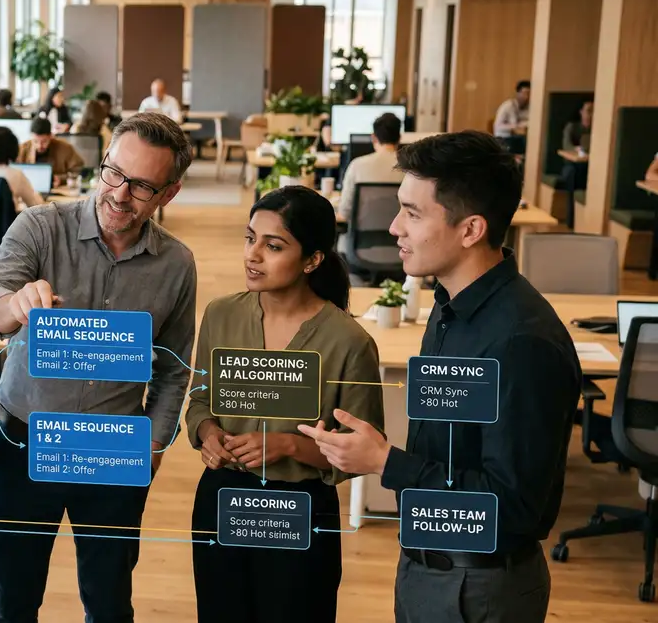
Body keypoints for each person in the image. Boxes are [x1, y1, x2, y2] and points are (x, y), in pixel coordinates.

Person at [298, 131, 581, 623]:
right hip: (428, 565)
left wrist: (387, 462)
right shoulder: (449, 308)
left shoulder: (520, 342)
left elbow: (514, 506)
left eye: (412, 212)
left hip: (479, 585)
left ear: (470, 229)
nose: (392, 228)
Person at [0, 112, 198, 623]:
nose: (119, 194)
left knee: (109, 601)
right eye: (114, 173)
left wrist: (154, 448)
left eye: (141, 186)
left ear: (170, 193)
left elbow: (173, 368)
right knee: (12, 600)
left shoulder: (177, 264)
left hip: (113, 449)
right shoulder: (39, 226)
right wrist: (15, 305)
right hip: (25, 439)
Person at [186, 186, 384, 622]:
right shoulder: (220, 314)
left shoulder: (349, 342)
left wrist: (288, 446)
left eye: (273, 246)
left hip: (300, 508)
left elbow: (361, 452)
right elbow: (200, 402)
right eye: (249, 238)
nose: (253, 255)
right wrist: (208, 434)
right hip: (223, 498)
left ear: (312, 260)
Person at [337, 112, 404, 222]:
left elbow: (344, 214)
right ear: (399, 137)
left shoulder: (357, 165)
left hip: (360, 238)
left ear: (373, 137)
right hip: (399, 236)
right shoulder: (410, 167)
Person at [18, 117, 85, 183]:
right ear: (31, 136)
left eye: (44, 141)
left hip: (58, 190)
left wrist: (61, 179)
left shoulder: (65, 148)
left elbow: (79, 170)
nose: (39, 146)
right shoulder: (22, 149)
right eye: (35, 141)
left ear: (51, 136)